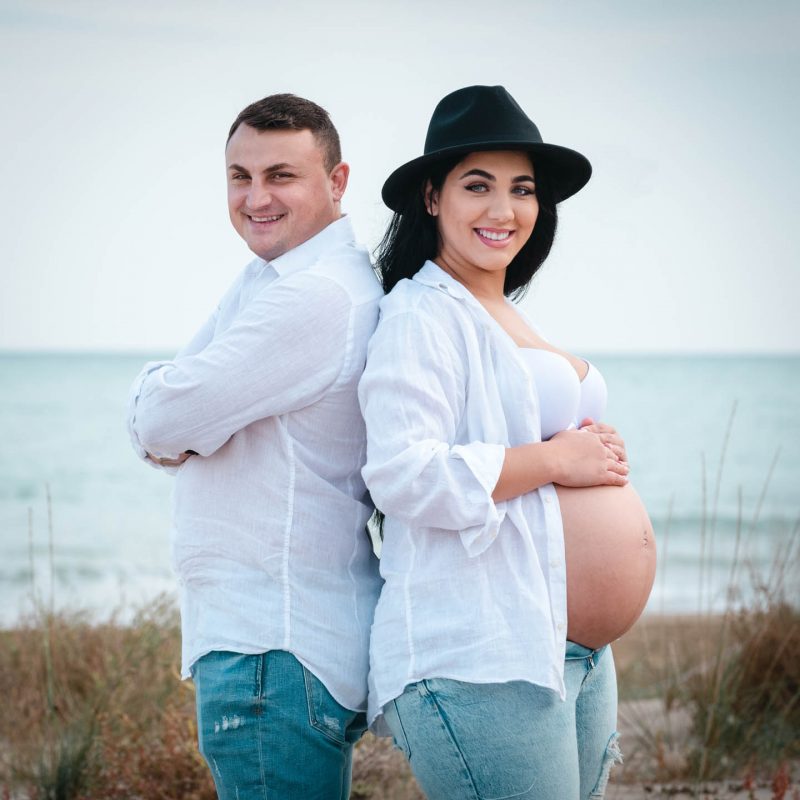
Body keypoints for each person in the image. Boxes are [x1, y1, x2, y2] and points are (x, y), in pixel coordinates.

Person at [359, 85, 655, 799]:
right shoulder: (420, 314)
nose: (504, 209)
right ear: (432, 197)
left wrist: (591, 448)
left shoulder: (502, 310)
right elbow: (402, 473)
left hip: (566, 647)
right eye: (478, 185)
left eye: (522, 189)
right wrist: (556, 459)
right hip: (480, 653)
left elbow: (519, 437)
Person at [127, 94, 383, 800]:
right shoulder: (276, 278)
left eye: (281, 175)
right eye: (240, 177)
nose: (256, 198)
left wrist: (157, 400)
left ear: (337, 181)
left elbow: (162, 420)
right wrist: (173, 411)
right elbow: (176, 415)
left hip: (273, 648)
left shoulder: (317, 296)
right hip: (279, 644)